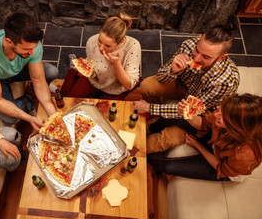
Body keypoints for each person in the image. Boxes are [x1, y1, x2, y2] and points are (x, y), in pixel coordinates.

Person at [133, 25, 240, 153]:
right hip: (183, 86)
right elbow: (161, 77)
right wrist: (172, 71)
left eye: (206, 57)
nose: (197, 58)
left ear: (221, 57)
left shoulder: (225, 82)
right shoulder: (189, 45)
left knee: (168, 138)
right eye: (197, 50)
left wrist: (149, 107)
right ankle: (155, 116)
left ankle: (135, 150)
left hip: (200, 110)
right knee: (146, 85)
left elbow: (189, 110)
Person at [0, 12, 58, 129]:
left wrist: (51, 111)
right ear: (9, 42)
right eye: (27, 49)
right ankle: (29, 99)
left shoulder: (31, 44)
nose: (32, 53)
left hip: (17, 69)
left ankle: (34, 92)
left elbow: (38, 79)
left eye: (33, 48)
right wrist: (30, 118)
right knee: (10, 119)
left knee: (51, 72)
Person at [147, 94, 262, 181]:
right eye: (219, 110)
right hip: (215, 142)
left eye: (222, 117)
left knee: (162, 164)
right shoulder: (225, 114)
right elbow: (205, 123)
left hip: (221, 165)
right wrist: (186, 113)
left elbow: (222, 169)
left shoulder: (245, 156)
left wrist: (198, 145)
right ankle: (147, 130)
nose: (216, 114)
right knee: (175, 118)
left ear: (236, 127)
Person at [60, 13, 141, 100]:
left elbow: (128, 85)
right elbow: (92, 72)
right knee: (67, 99)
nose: (101, 48)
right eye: (100, 41)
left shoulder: (133, 46)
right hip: (94, 82)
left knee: (104, 112)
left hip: (116, 89)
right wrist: (84, 69)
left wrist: (116, 63)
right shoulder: (92, 41)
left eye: (108, 46)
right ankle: (74, 73)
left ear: (121, 42)